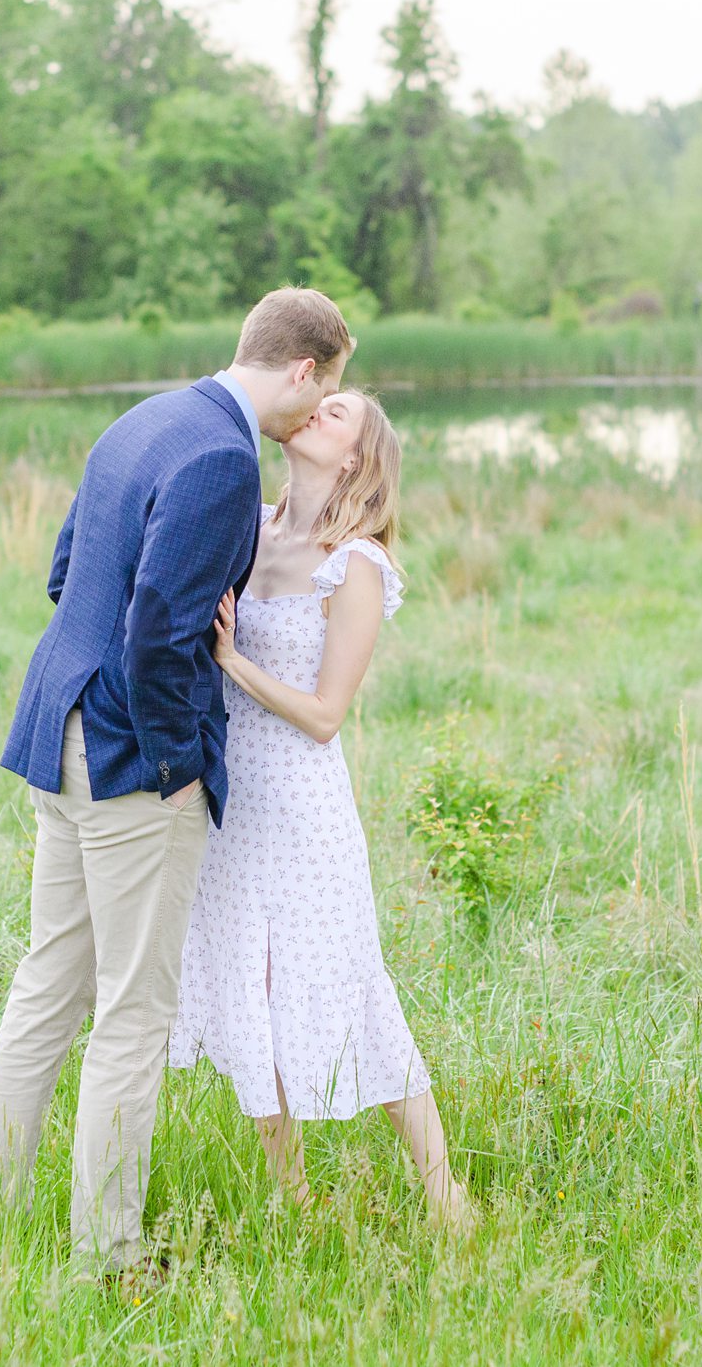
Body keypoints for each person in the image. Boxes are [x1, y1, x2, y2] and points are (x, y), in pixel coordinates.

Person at [0, 287, 354, 1286]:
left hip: (57, 727)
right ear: (304, 367)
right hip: (130, 763)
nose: (314, 416)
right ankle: (110, 1254)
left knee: (47, 986)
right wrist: (175, 764)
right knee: (133, 1013)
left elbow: (67, 574)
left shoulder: (146, 416)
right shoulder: (226, 457)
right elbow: (156, 632)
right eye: (324, 392)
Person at [169, 390, 476, 1233]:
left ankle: (447, 1200)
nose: (314, 411)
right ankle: (292, 1198)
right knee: (249, 982)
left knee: (349, 984)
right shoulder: (252, 528)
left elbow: (324, 713)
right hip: (233, 801)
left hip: (304, 806)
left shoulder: (359, 564)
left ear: (354, 458)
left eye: (337, 413)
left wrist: (230, 659)